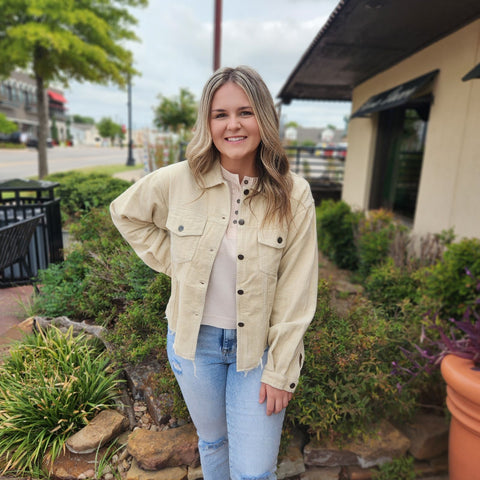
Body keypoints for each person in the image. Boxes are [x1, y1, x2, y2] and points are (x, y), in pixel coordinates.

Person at [110, 65, 318, 480]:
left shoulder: (294, 194)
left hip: (258, 350)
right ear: (207, 123)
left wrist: (280, 371)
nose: (233, 124)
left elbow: (297, 288)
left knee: (256, 471)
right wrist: (180, 264)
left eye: (245, 112)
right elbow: (124, 213)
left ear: (264, 117)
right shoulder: (178, 180)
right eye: (220, 114)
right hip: (193, 344)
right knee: (213, 443)